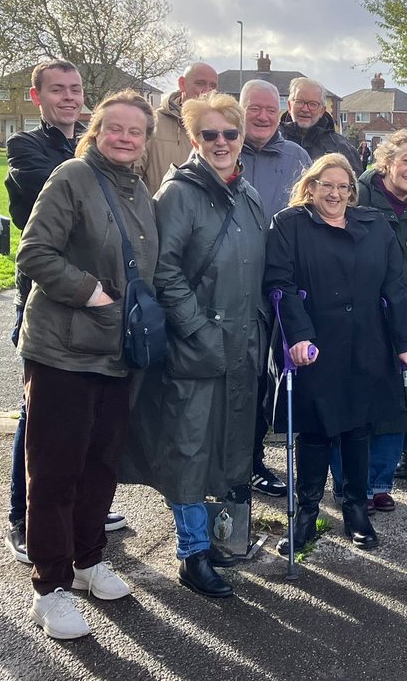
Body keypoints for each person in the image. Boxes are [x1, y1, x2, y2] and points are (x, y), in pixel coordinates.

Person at [16, 89, 158, 640]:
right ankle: (49, 585)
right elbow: (34, 253)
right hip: (63, 350)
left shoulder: (139, 191)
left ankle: (87, 560)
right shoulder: (72, 177)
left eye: (135, 131)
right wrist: (89, 291)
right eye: (114, 127)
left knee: (101, 464)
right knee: (54, 470)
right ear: (95, 130)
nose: (124, 137)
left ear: (145, 142)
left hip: (115, 352)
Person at [121, 92, 267, 598]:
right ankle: (192, 553)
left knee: (229, 446)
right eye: (210, 134)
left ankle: (225, 540)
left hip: (244, 347)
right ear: (193, 139)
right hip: (198, 346)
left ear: (242, 136)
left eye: (230, 133)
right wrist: (199, 330)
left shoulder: (248, 194)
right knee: (189, 447)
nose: (221, 142)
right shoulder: (178, 194)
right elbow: (164, 272)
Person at [264, 154, 407, 554]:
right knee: (316, 429)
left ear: (352, 191)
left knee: (359, 427)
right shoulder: (290, 224)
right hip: (317, 344)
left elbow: (394, 288)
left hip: (367, 341)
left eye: (343, 187)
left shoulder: (374, 226)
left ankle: (356, 508)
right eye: (327, 185)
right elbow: (279, 283)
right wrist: (298, 336)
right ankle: (307, 513)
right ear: (311, 186)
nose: (335, 193)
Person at [2, 59, 125, 566]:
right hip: (47, 298)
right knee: (41, 414)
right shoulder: (29, 150)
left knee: (91, 420)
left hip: (97, 306)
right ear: (38, 98)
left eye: (76, 90)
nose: (70, 98)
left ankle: (77, 516)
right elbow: (52, 219)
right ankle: (23, 518)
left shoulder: (96, 152)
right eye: (58, 90)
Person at [333, 130, 407, 510]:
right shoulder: (357, 196)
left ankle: (378, 482)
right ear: (386, 160)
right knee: (351, 399)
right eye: (406, 160)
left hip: (399, 315)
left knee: (393, 402)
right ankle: (346, 483)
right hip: (354, 313)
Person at [236, 79, 311, 501]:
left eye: (270, 109)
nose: (262, 117)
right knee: (239, 376)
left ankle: (255, 458)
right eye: (254, 108)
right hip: (235, 285)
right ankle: (236, 462)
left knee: (273, 378)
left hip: (281, 284)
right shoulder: (226, 149)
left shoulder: (297, 156)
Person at [138, 62, 220, 194]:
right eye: (200, 83)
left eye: (213, 86)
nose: (207, 91)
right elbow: (132, 177)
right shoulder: (152, 124)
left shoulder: (223, 132)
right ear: (182, 84)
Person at [280, 76, 362, 173]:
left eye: (313, 104)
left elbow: (354, 186)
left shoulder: (343, 148)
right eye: (299, 102)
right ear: (289, 106)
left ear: (322, 110)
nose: (305, 109)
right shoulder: (272, 140)